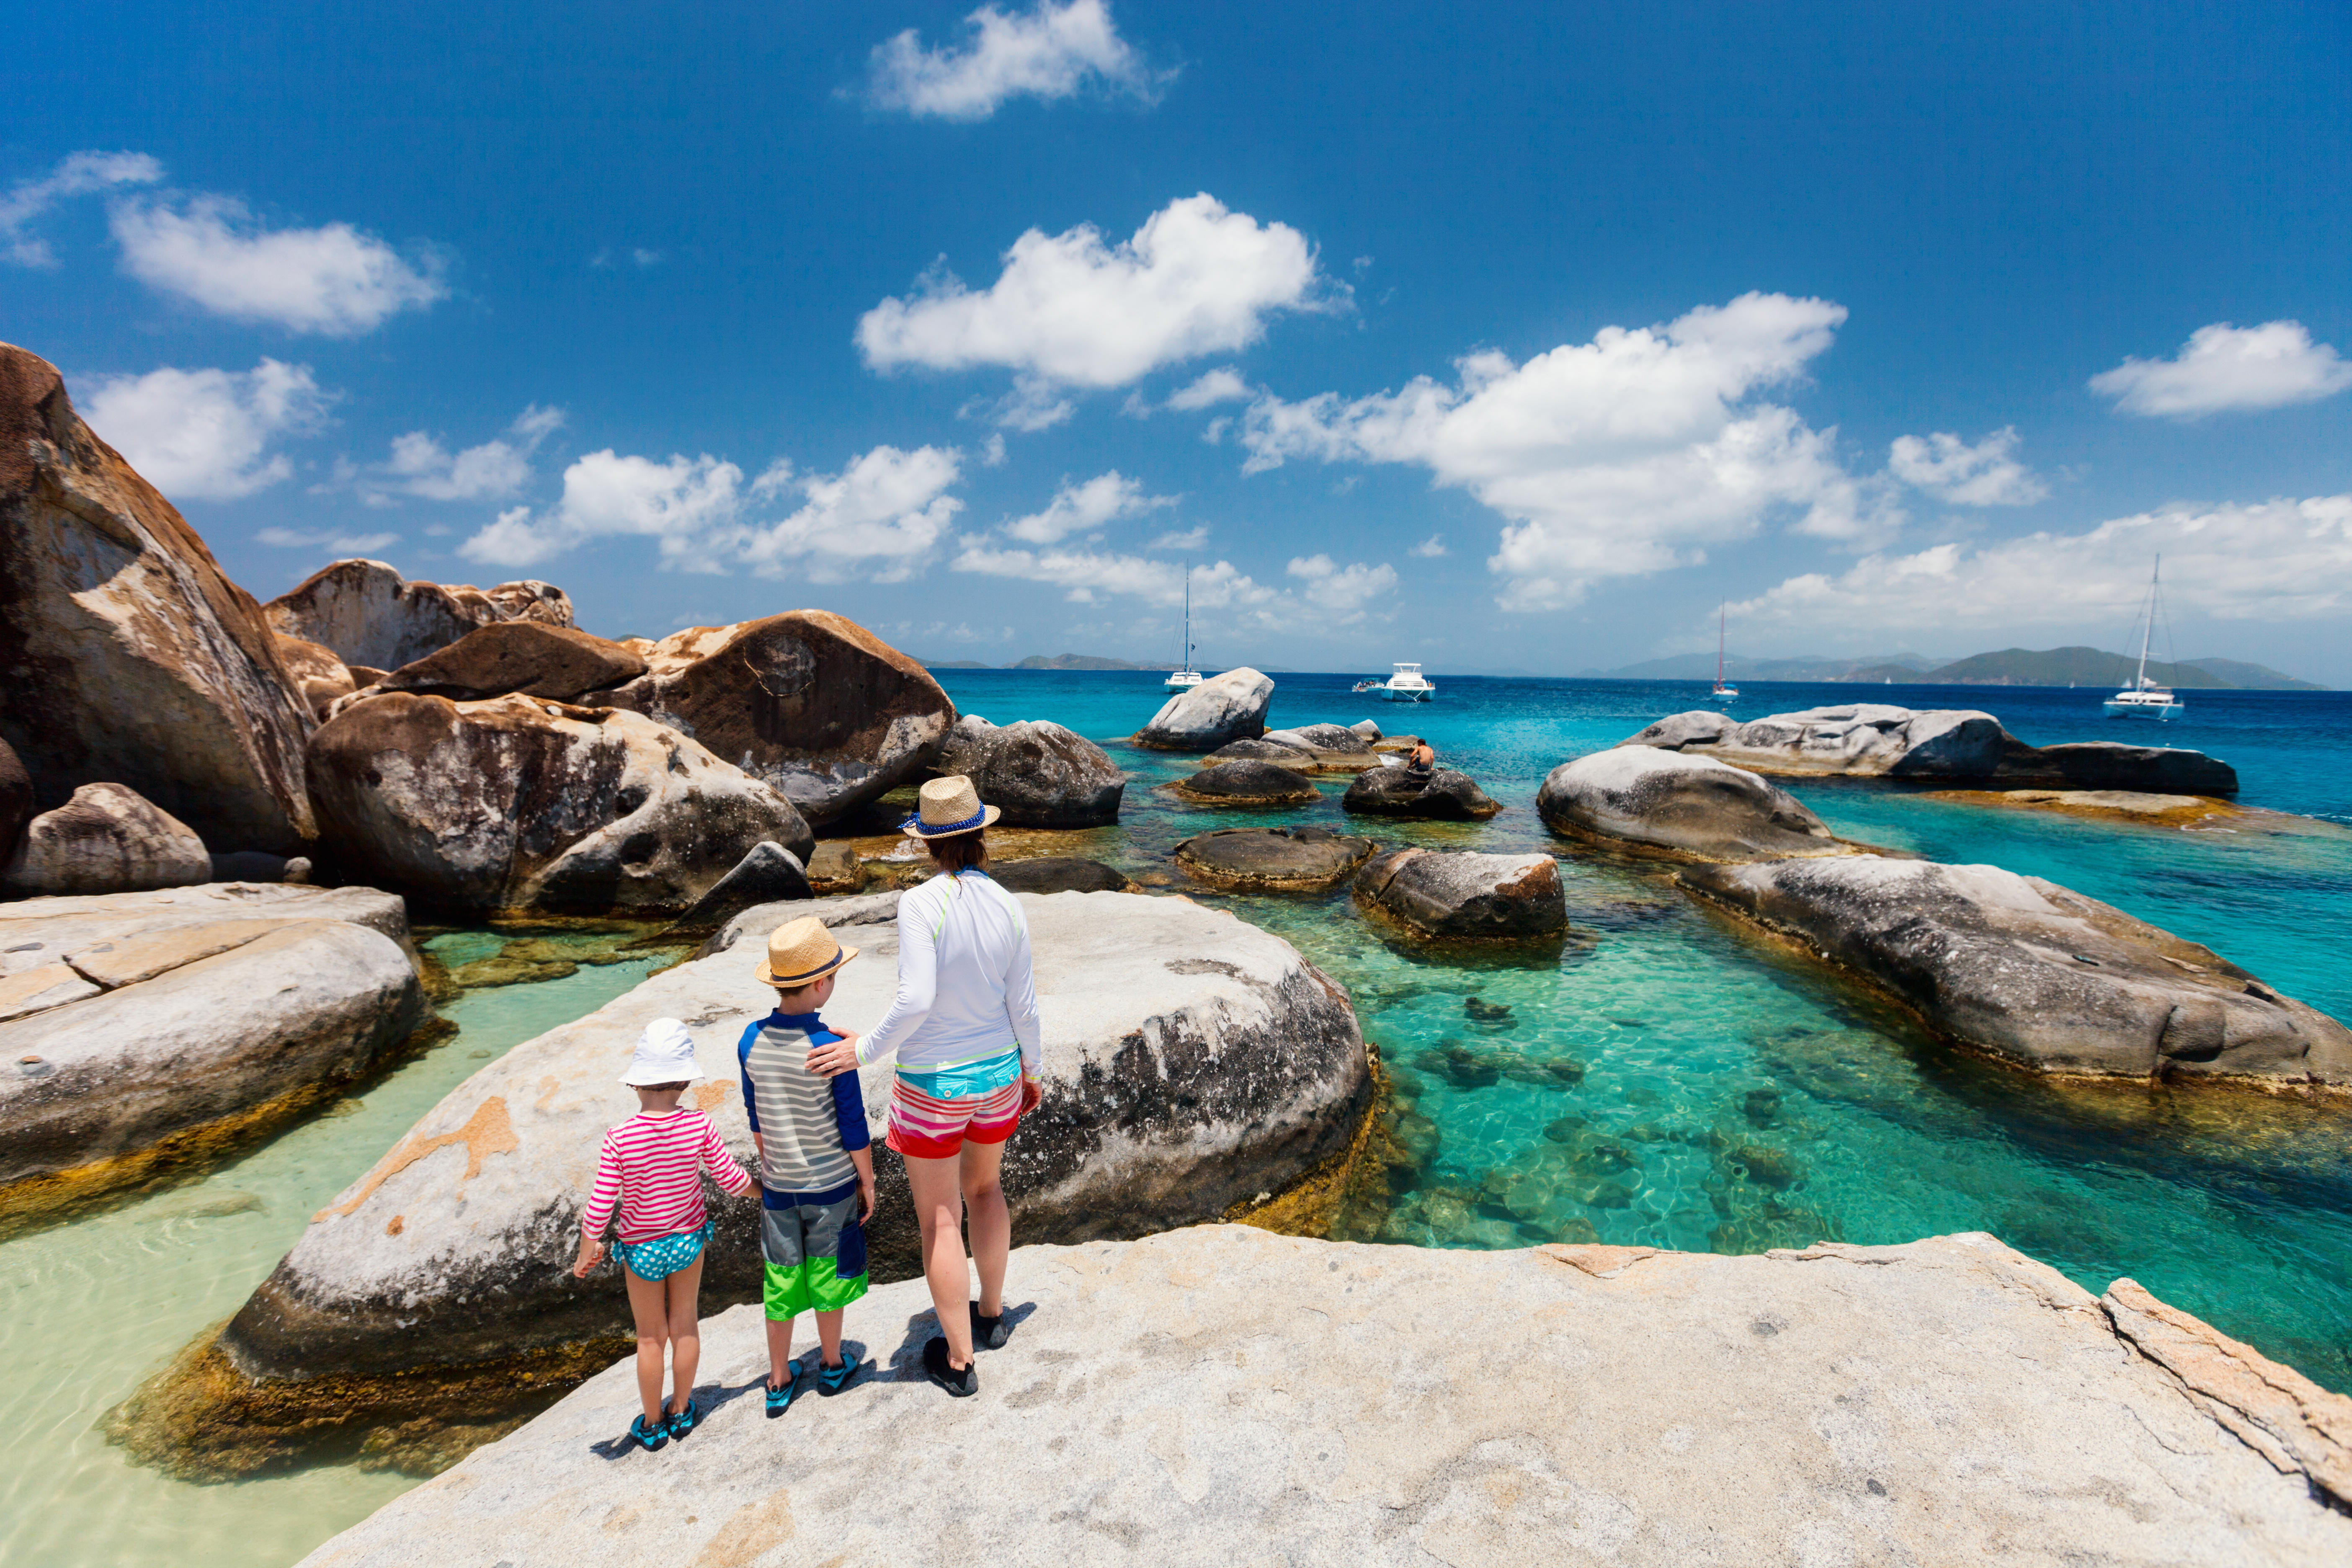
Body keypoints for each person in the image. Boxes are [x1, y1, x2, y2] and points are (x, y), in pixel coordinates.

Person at [808, 775, 1041, 1398]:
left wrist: (862, 1051)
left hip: (934, 1083)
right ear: (982, 832)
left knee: (941, 1218)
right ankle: (991, 1315)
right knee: (986, 1191)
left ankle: (959, 1360)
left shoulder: (920, 904)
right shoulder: (1009, 904)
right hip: (998, 1074)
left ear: (927, 843)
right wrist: (1033, 1070)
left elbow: (916, 999)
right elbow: (1024, 1003)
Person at [573, 1018, 755, 1452]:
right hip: (689, 1240)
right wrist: (764, 1192)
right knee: (685, 1324)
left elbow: (601, 1205)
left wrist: (587, 1251)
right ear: (685, 1081)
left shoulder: (620, 1137)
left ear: (637, 1085)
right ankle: (682, 1409)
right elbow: (730, 1179)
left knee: (651, 1336)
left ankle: (652, 1423)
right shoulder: (698, 1125)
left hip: (641, 1249)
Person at [737, 916, 876, 1418]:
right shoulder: (830, 1047)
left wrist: (772, 1164)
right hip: (832, 1185)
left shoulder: (750, 1041)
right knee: (828, 1274)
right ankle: (833, 1363)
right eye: (833, 976)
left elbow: (756, 1119)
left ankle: (778, 1378)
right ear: (820, 984)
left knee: (780, 1279)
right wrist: (869, 1179)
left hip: (778, 1189)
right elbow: (853, 1127)